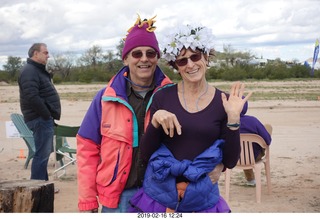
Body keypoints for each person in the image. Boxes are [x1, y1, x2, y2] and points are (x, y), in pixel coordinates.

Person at [128, 23, 252, 213]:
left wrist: (233, 119)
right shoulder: (162, 97)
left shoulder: (225, 102)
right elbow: (146, 154)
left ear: (206, 57)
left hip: (200, 199)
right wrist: (155, 121)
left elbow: (230, 161)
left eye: (195, 57)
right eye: (182, 61)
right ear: (176, 66)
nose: (190, 65)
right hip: (160, 197)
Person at [76, 15, 173, 213]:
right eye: (137, 53)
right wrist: (87, 200)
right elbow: (87, 149)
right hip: (117, 198)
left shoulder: (172, 96)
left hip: (161, 196)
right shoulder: (105, 98)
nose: (144, 59)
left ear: (157, 57)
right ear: (126, 58)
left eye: (150, 53)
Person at [18, 43, 61, 181]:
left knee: (43, 155)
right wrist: (46, 114)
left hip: (42, 118)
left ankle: (43, 186)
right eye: (45, 52)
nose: (48, 55)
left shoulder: (36, 70)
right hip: (39, 119)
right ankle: (36, 186)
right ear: (36, 54)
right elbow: (32, 96)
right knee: (41, 156)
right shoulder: (29, 71)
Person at [240, 104, 272, 186]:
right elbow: (267, 141)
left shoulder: (225, 122)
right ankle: (251, 179)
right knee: (267, 128)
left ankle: (250, 179)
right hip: (255, 156)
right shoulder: (252, 121)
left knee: (241, 148)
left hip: (233, 158)